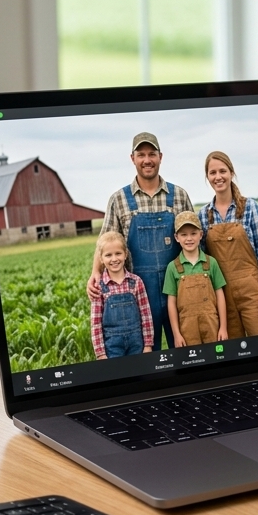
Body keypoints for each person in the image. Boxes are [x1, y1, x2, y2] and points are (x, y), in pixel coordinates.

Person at [88, 132, 194, 351]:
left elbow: (196, 241)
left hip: (179, 289)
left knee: (187, 352)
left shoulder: (179, 196)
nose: (147, 160)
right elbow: (104, 243)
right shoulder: (119, 200)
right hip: (138, 294)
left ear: (160, 157)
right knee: (148, 355)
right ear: (132, 158)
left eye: (152, 154)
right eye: (141, 155)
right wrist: (95, 273)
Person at [198, 151, 258, 339]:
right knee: (233, 351)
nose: (218, 177)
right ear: (207, 177)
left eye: (222, 171)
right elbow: (203, 261)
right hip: (223, 297)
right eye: (212, 173)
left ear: (231, 173)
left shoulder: (250, 207)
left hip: (252, 293)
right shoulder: (203, 215)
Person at [164, 211, 228, 348]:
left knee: (216, 357)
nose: (189, 238)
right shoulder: (172, 267)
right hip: (187, 329)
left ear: (201, 234)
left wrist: (223, 327)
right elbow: (171, 303)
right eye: (184, 234)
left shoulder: (211, 263)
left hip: (212, 325)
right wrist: (176, 334)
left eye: (193, 233)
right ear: (176, 237)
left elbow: (220, 295)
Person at [89, 230, 154, 359]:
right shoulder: (99, 286)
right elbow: (96, 322)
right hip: (112, 347)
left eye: (118, 253)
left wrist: (148, 344)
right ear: (101, 258)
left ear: (125, 254)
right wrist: (100, 353)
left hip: (136, 344)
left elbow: (146, 315)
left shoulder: (136, 282)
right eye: (108, 255)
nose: (114, 259)